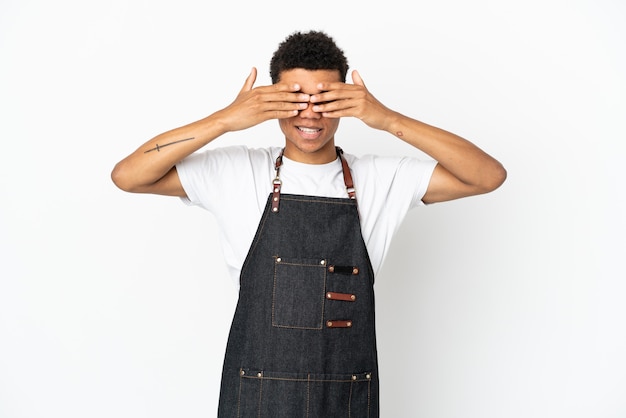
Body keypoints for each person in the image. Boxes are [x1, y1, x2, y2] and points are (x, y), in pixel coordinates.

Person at [111, 30, 506, 417]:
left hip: (345, 398)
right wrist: (226, 120)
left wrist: (386, 119)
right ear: (270, 101)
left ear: (347, 102)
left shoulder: (380, 180)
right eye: (294, 98)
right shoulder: (237, 171)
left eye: (325, 99)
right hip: (257, 397)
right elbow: (129, 175)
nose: (311, 114)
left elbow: (487, 175)